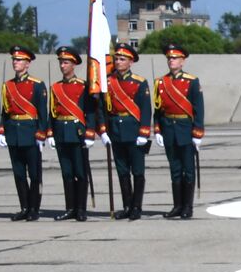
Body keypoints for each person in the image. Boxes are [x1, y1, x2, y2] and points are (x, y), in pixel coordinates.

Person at [153, 43, 204, 219]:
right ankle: (177, 205)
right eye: (169, 58)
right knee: (175, 169)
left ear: (182, 61)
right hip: (168, 130)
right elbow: (158, 110)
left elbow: (198, 109)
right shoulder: (160, 82)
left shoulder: (191, 81)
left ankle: (188, 207)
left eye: (174, 58)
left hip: (185, 129)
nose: (171, 61)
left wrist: (197, 134)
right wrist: (158, 130)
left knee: (188, 170)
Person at [0, 45, 49, 221]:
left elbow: (43, 112)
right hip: (14, 133)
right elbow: (5, 112)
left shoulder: (37, 85)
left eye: (19, 60)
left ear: (27, 64)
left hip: (30, 132)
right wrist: (2, 131)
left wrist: (42, 132)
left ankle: (34, 208)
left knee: (34, 174)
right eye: (14, 59)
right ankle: (24, 207)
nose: (15, 62)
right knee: (19, 173)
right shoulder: (8, 85)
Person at [104, 44, 152, 220]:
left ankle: (137, 207)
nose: (118, 62)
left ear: (130, 62)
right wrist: (103, 130)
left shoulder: (139, 82)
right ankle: (126, 206)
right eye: (116, 59)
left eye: (122, 59)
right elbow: (104, 108)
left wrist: (144, 132)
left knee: (137, 171)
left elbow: (146, 109)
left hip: (134, 131)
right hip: (116, 130)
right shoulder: (109, 82)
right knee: (122, 171)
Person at [48, 46, 96, 222]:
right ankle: (70, 208)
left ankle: (81, 209)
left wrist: (90, 132)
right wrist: (50, 133)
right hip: (61, 132)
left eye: (66, 62)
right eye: (61, 62)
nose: (62, 65)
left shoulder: (83, 86)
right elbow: (52, 113)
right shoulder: (55, 87)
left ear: (74, 64)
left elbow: (90, 111)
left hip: (77, 133)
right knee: (67, 172)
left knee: (80, 172)